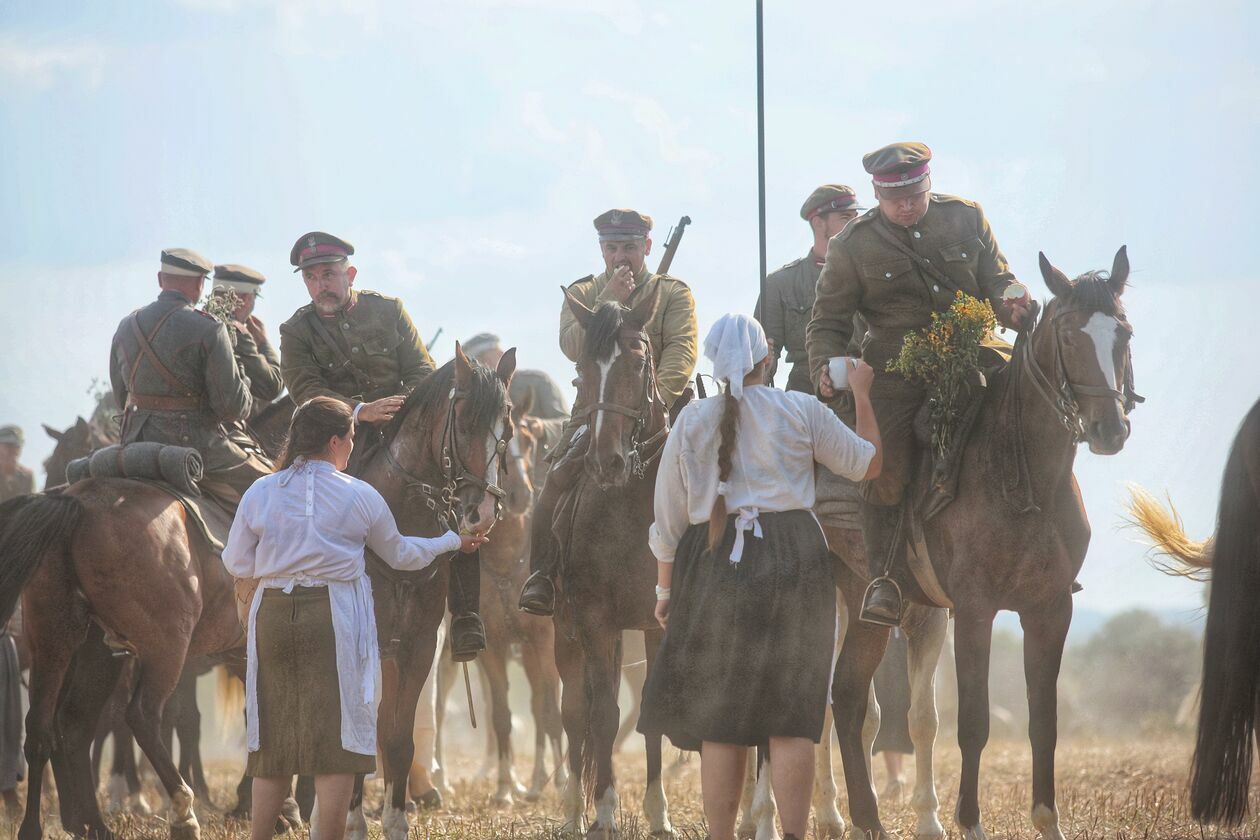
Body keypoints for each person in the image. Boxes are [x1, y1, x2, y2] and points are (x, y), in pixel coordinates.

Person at [638, 314, 882, 840]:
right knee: (795, 717)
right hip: (796, 563)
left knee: (720, 724)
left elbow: (669, 519)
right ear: (766, 360)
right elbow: (866, 465)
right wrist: (861, 393)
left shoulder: (690, 422)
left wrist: (664, 590)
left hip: (713, 565)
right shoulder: (801, 410)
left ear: (711, 361)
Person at [222, 396, 484, 840]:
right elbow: (401, 555)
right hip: (333, 617)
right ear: (334, 441)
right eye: (351, 439)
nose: (351, 448)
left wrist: (281, 566)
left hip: (272, 617)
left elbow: (235, 562)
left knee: (272, 746)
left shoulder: (260, 491)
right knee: (339, 745)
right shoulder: (361, 494)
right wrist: (450, 542)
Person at [806, 142, 1031, 626]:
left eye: (914, 193)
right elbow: (827, 323)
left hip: (978, 351)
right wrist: (825, 367)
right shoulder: (852, 245)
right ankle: (885, 577)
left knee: (1034, 413)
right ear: (876, 194)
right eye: (894, 198)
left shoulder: (966, 218)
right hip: (896, 368)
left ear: (927, 183)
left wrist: (1015, 300)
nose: (906, 205)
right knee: (881, 465)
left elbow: (1001, 280)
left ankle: (1050, 539)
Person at [276, 233, 488, 661]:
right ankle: (299, 604)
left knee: (456, 499)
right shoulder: (296, 330)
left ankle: (466, 616)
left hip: (406, 428)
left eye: (330, 274)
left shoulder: (389, 311)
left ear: (349, 274)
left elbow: (423, 371)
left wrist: (403, 409)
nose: (322, 284)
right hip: (336, 438)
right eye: (312, 277)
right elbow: (304, 390)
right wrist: (358, 411)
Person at [518, 208, 699, 616]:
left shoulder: (672, 293)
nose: (621, 256)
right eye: (613, 248)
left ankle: (715, 575)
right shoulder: (584, 294)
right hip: (595, 413)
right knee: (554, 484)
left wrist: (653, 406)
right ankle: (542, 576)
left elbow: (681, 354)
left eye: (630, 247)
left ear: (647, 247)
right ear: (601, 249)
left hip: (658, 414)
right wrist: (608, 300)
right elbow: (570, 346)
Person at [108, 248, 271, 509]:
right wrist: (243, 378)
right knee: (277, 493)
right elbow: (233, 408)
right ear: (199, 284)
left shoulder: (127, 325)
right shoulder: (209, 327)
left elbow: (120, 396)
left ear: (161, 279)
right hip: (198, 448)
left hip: (135, 445)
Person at [755, 184, 864, 393]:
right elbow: (765, 354)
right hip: (805, 398)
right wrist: (761, 367)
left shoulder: (872, 275)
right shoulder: (781, 283)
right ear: (818, 223)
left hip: (863, 393)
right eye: (845, 217)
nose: (856, 224)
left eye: (856, 216)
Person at [209, 264, 284, 417]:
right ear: (245, 298)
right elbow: (272, 386)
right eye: (254, 298)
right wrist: (263, 343)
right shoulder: (235, 331)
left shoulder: (198, 319)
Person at [464, 332, 570, 420]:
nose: (481, 367)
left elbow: (567, 424)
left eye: (484, 358)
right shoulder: (475, 400)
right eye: (476, 362)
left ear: (501, 354)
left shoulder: (538, 382)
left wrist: (541, 429)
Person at [0, 425, 34, 502]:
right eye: (8, 445)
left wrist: (11, 478)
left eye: (17, 446)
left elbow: (30, 506)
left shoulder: (27, 475)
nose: (13, 450)